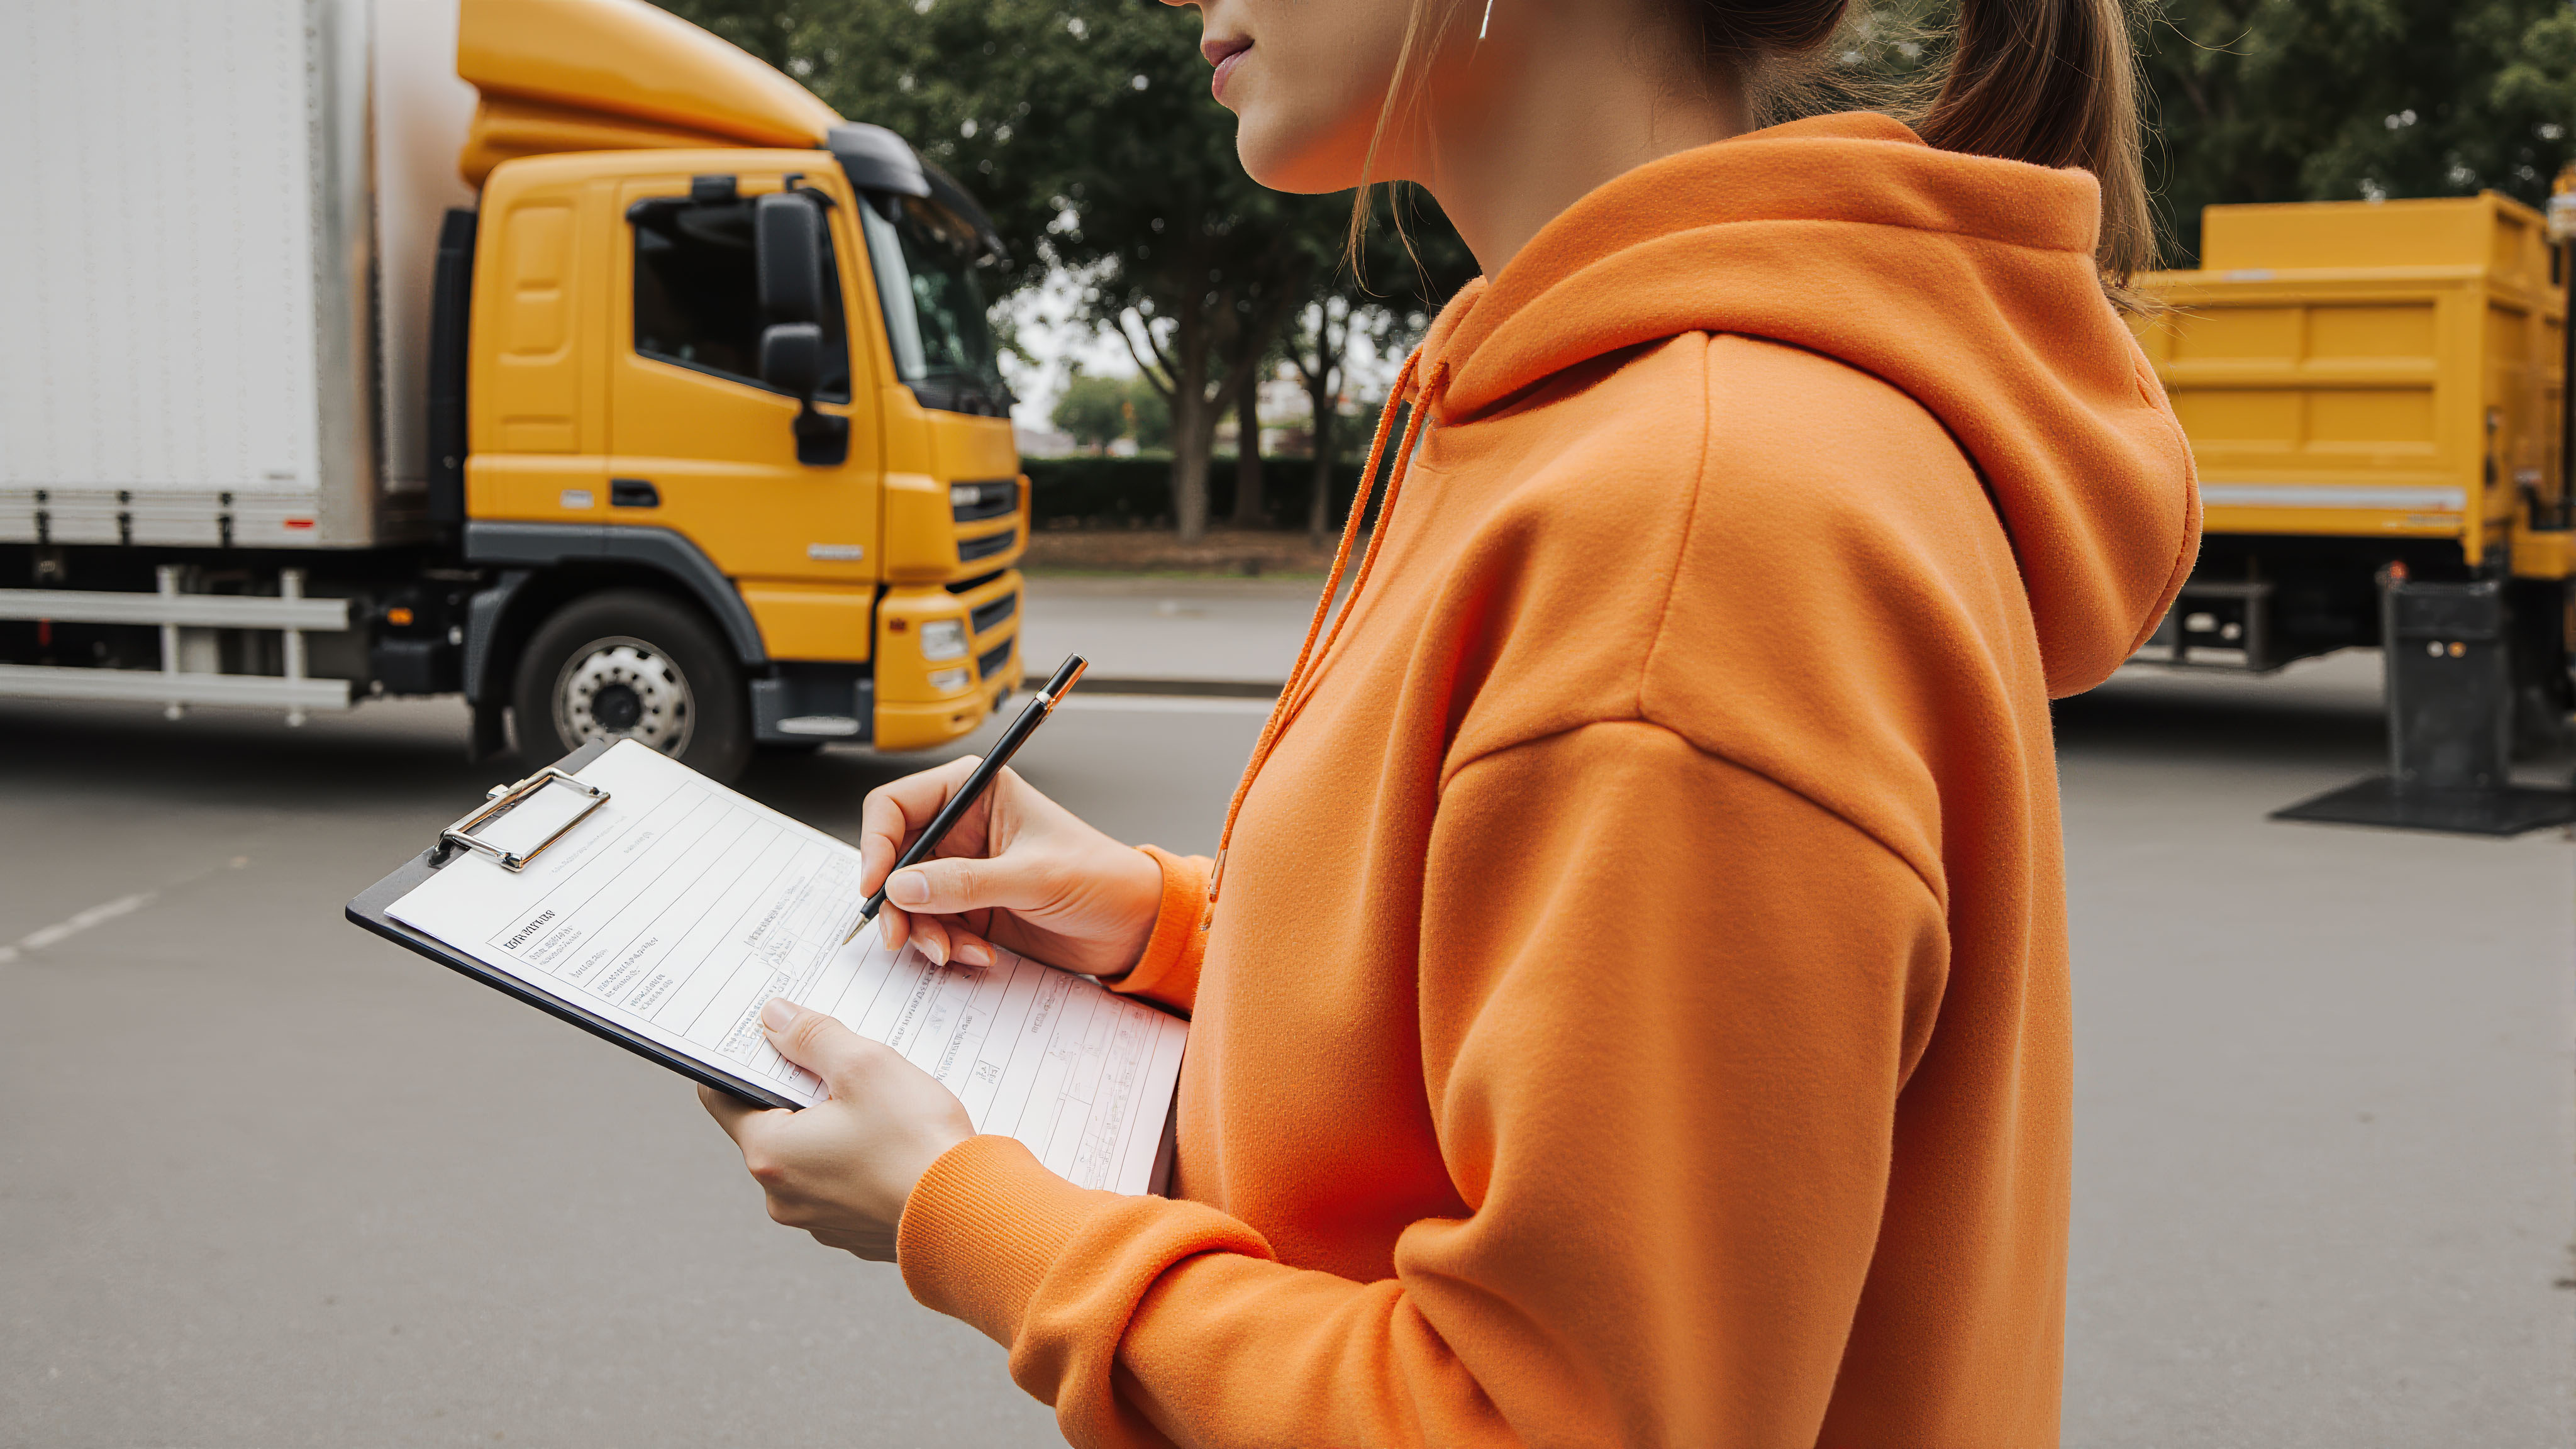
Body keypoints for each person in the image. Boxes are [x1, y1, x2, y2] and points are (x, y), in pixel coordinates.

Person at [701, 0, 2198, 1440]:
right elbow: (1498, 1019)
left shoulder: (1683, 521)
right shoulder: (1607, 418)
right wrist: (1160, 927)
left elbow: (1538, 1421)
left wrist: (970, 1216)